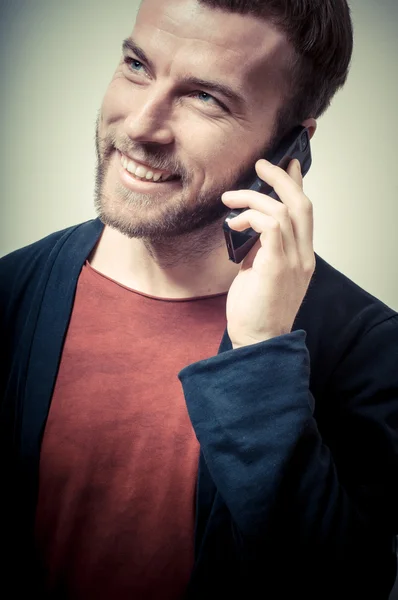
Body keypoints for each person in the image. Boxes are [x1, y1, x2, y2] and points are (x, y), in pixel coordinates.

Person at [1, 0, 397, 598]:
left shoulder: (369, 349)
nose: (139, 125)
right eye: (137, 65)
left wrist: (264, 352)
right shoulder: (12, 292)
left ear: (291, 145)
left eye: (206, 98)